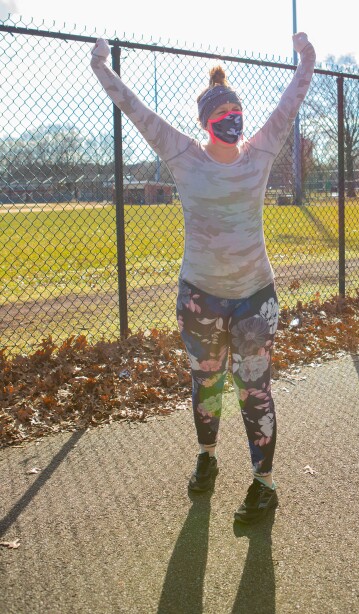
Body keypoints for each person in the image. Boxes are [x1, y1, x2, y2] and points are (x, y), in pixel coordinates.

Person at [90, 33, 316, 524]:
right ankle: (207, 457)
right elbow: (136, 110)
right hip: (200, 300)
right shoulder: (184, 155)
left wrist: (307, 60)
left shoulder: (260, 153)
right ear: (207, 122)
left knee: (255, 391)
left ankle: (264, 486)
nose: (234, 120)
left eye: (237, 111)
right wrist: (102, 68)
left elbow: (290, 101)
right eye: (224, 114)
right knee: (206, 385)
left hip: (255, 298)